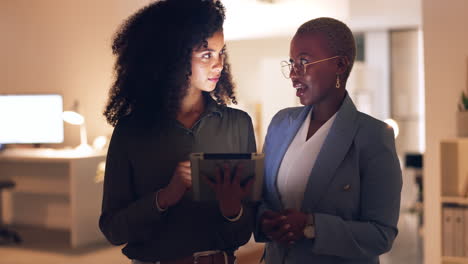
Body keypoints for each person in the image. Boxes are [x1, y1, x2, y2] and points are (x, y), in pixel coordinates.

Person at [99, 1, 257, 264]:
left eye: (221, 53)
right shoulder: (132, 132)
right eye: (207, 54)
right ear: (173, 55)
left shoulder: (238, 124)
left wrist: (232, 209)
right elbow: (114, 230)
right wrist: (164, 197)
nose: (218, 64)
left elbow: (244, 231)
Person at [254, 17, 402, 264]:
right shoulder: (281, 124)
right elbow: (263, 200)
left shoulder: (373, 137)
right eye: (291, 63)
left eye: (304, 62)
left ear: (340, 65)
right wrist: (265, 221)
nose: (293, 74)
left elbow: (381, 235)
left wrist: (310, 226)